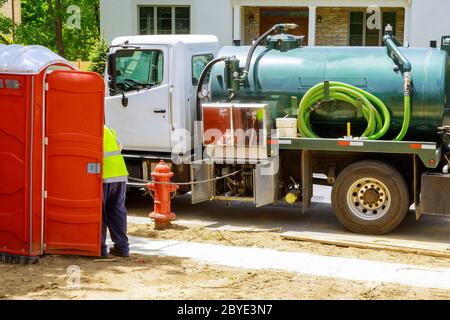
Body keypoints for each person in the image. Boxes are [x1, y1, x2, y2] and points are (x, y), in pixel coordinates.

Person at [102, 125, 130, 257]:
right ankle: (122, 248)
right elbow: (120, 146)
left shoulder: (91, 129)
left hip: (103, 175)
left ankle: (100, 248)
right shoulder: (108, 129)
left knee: (99, 213)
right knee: (117, 211)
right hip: (119, 174)